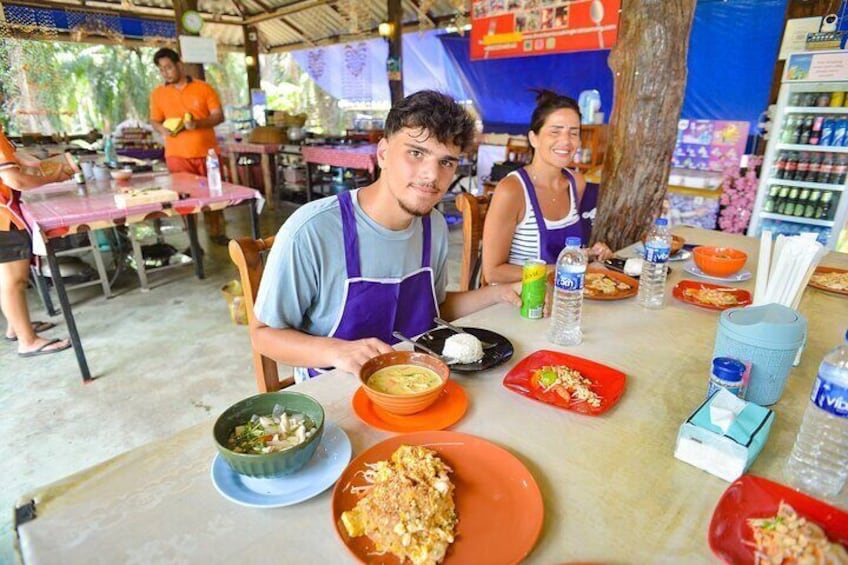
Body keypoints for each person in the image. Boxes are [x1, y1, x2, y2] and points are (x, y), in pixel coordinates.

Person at [253, 90, 522, 380]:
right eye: (416, 153)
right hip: (334, 394)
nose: (431, 176)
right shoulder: (313, 230)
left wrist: (498, 293)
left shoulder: (434, 225)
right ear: (383, 153)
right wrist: (336, 352)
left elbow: (434, 307)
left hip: (416, 382)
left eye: (446, 162)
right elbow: (263, 335)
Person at [482, 89, 613, 285]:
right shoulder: (512, 190)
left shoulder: (576, 183)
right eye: (555, 131)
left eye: (574, 133)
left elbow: (567, 249)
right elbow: (493, 273)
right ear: (534, 138)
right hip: (520, 302)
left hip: (565, 295)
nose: (566, 141)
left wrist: (590, 254)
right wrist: (568, 268)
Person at [0, 124, 71, 356]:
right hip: (2, 215)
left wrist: (31, 161)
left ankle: (16, 328)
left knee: (8, 277)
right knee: (13, 280)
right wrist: (53, 176)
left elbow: (11, 160)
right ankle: (27, 341)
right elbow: (15, 181)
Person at [149, 47, 227, 245]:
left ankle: (217, 233)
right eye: (162, 69)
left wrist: (198, 124)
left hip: (207, 154)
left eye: (168, 67)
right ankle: (193, 241)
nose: (166, 72)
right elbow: (155, 120)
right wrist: (162, 129)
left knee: (214, 194)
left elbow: (218, 116)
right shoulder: (158, 94)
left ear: (179, 65)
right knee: (184, 199)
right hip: (177, 155)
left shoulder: (204, 88)